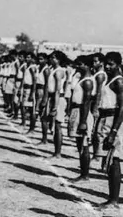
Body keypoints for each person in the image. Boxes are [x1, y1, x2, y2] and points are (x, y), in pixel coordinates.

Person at [95, 52, 123, 211]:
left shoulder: (118, 82)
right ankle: (111, 197)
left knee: (114, 160)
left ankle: (113, 199)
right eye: (106, 63)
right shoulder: (110, 79)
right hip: (107, 118)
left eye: (111, 64)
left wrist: (113, 131)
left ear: (118, 64)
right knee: (109, 160)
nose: (107, 66)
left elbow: (122, 108)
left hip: (114, 121)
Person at [66, 55, 94, 183]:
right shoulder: (81, 78)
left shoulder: (88, 81)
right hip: (76, 110)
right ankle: (83, 172)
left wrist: (83, 122)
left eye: (80, 64)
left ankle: (85, 174)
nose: (78, 67)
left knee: (84, 144)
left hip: (83, 113)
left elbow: (87, 102)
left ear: (87, 65)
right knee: (79, 144)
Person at [46, 50, 68, 159]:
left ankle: (58, 153)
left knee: (58, 126)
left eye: (53, 58)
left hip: (58, 99)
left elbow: (58, 90)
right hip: (52, 98)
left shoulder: (59, 71)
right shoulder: (53, 70)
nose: (51, 59)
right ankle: (55, 151)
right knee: (53, 126)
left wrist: (55, 106)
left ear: (58, 60)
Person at [91, 52, 108, 160]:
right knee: (94, 131)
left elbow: (99, 92)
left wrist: (95, 108)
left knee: (97, 131)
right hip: (95, 102)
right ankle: (96, 153)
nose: (93, 63)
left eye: (95, 61)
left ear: (101, 62)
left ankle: (98, 155)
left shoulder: (101, 75)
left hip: (98, 104)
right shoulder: (97, 73)